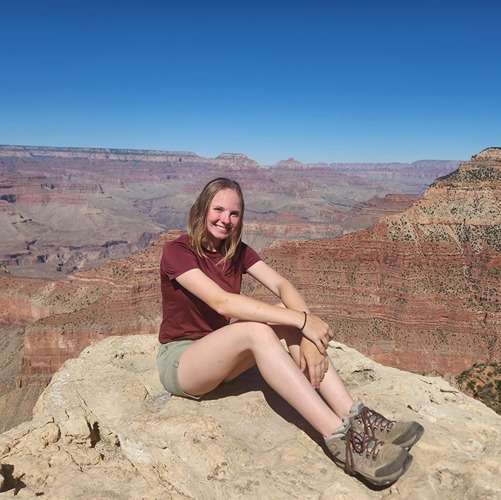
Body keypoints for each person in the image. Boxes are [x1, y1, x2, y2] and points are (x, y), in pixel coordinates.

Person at [157, 177, 423, 486]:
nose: (225, 220)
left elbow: (283, 285)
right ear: (201, 209)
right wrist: (303, 322)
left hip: (220, 359)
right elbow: (223, 303)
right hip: (183, 361)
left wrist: (307, 334)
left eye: (234, 213)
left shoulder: (237, 251)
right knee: (258, 330)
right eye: (218, 209)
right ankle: (340, 440)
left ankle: (356, 416)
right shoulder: (178, 251)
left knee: (286, 316)